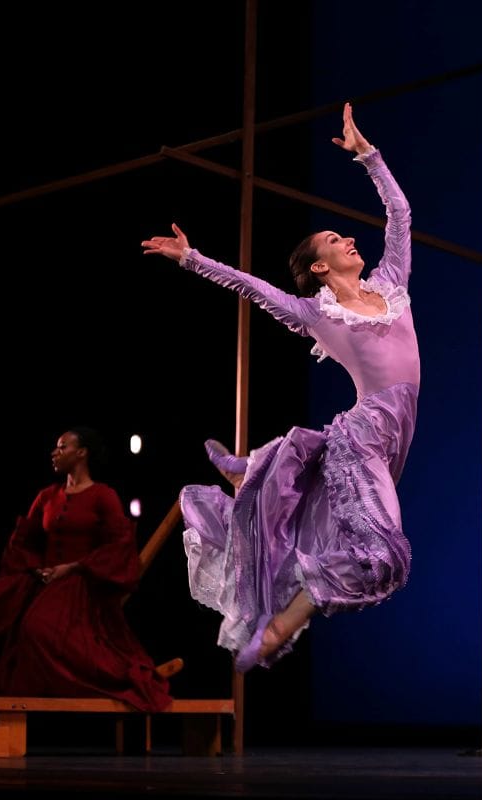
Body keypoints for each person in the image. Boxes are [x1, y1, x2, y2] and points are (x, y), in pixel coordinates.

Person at [142, 103, 417, 672]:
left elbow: (400, 214)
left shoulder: (390, 286)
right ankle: (276, 631)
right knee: (383, 557)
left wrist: (368, 156)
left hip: (395, 440)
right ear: (319, 267)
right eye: (335, 239)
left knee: (377, 555)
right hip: (364, 437)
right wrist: (192, 259)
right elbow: (253, 288)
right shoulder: (320, 315)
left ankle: (256, 471)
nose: (348, 240)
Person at [0, 427, 177, 712]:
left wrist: (73, 567)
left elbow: (119, 545)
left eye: (62, 446)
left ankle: (76, 686)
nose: (55, 452)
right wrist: (36, 569)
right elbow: (23, 542)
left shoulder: (103, 495)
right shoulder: (47, 496)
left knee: (36, 627)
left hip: (81, 580)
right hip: (42, 578)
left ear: (82, 453)